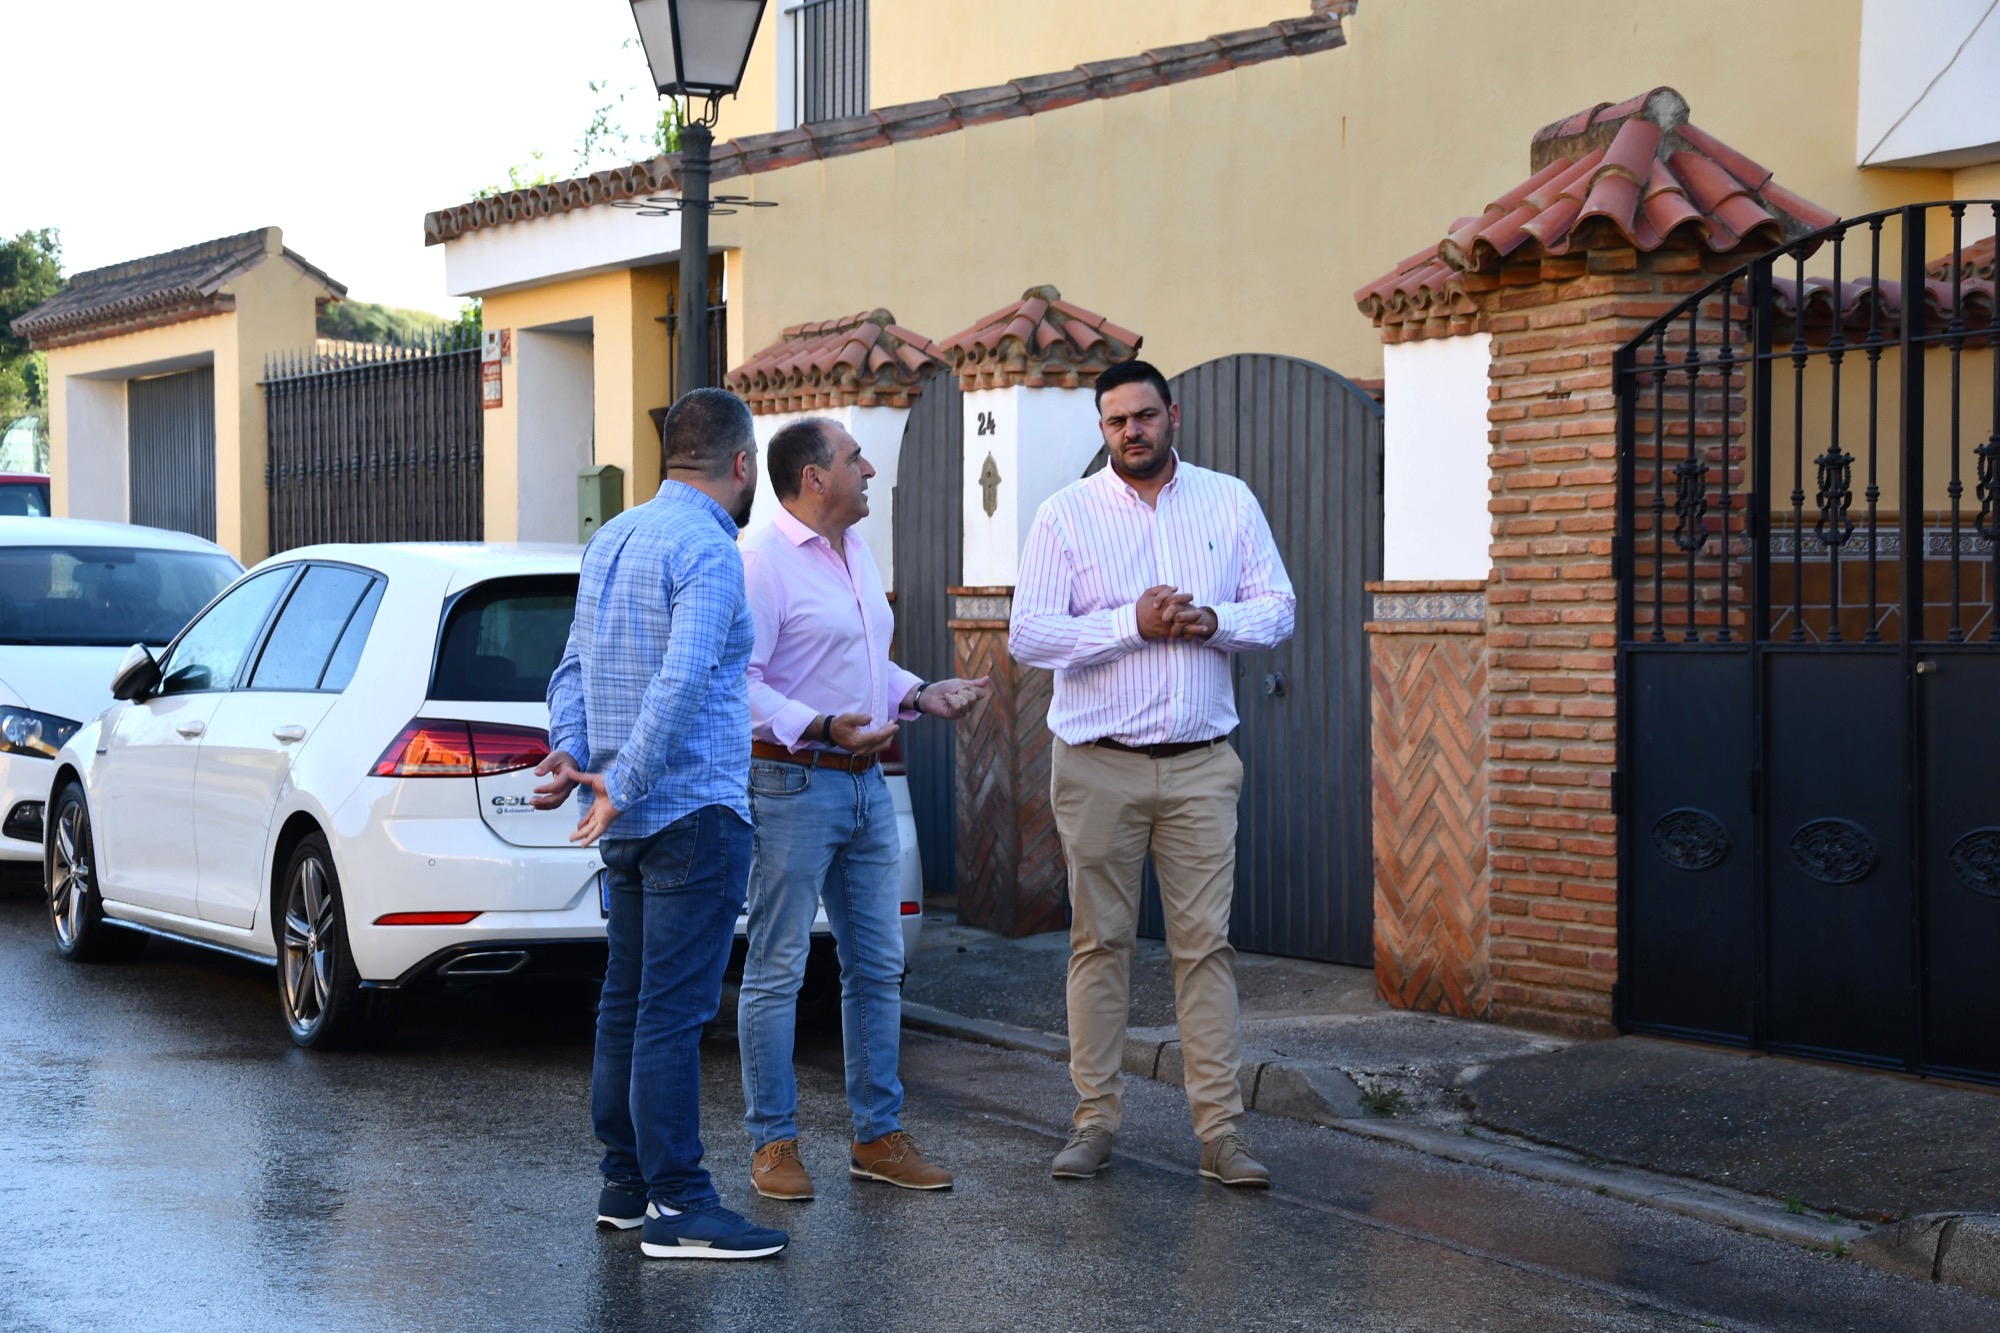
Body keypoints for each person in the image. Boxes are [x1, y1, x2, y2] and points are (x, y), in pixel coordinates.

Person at [1009, 358, 1296, 1188]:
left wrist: (1213, 620)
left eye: (1144, 415)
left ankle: (1222, 1136)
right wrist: (1130, 624)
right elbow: (1029, 635)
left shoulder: (1228, 500)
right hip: (1097, 766)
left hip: (1202, 765)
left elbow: (1278, 608)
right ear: (1103, 429)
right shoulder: (1066, 515)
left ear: (1174, 414)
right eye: (1116, 421)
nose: (1132, 431)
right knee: (1099, 944)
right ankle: (1093, 1121)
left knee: (1205, 948)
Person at [533, 387, 789, 1261]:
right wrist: (622, 779)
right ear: (743, 464)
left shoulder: (614, 537)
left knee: (628, 1000)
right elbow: (682, 680)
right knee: (672, 1012)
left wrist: (576, 756)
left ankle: (626, 1184)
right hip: (692, 812)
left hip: (630, 817)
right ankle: (679, 1202)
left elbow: (570, 668)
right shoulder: (711, 549)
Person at [737, 416, 989, 1200]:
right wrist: (817, 725)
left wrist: (918, 692)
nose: (871, 468)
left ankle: (877, 1135)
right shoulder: (761, 561)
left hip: (864, 782)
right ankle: (773, 1142)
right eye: (855, 457)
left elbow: (861, 660)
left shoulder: (855, 549)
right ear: (814, 477)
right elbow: (739, 682)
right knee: (778, 968)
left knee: (879, 964)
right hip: (791, 781)